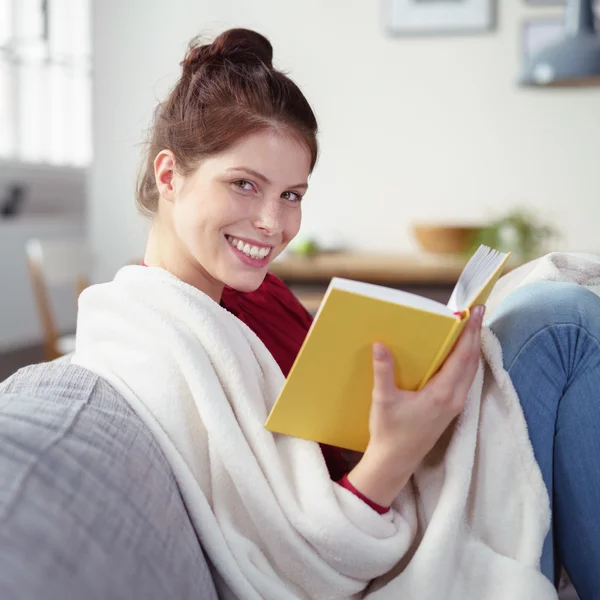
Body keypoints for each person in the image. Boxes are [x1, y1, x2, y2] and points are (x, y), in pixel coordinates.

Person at [114, 28, 598, 597]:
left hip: (409, 484)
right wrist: (396, 451)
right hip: (384, 539)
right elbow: (291, 558)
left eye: (292, 195)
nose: (274, 223)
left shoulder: (254, 293)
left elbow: (328, 427)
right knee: (562, 322)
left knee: (560, 317)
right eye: (245, 185)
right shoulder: (161, 338)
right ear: (169, 175)